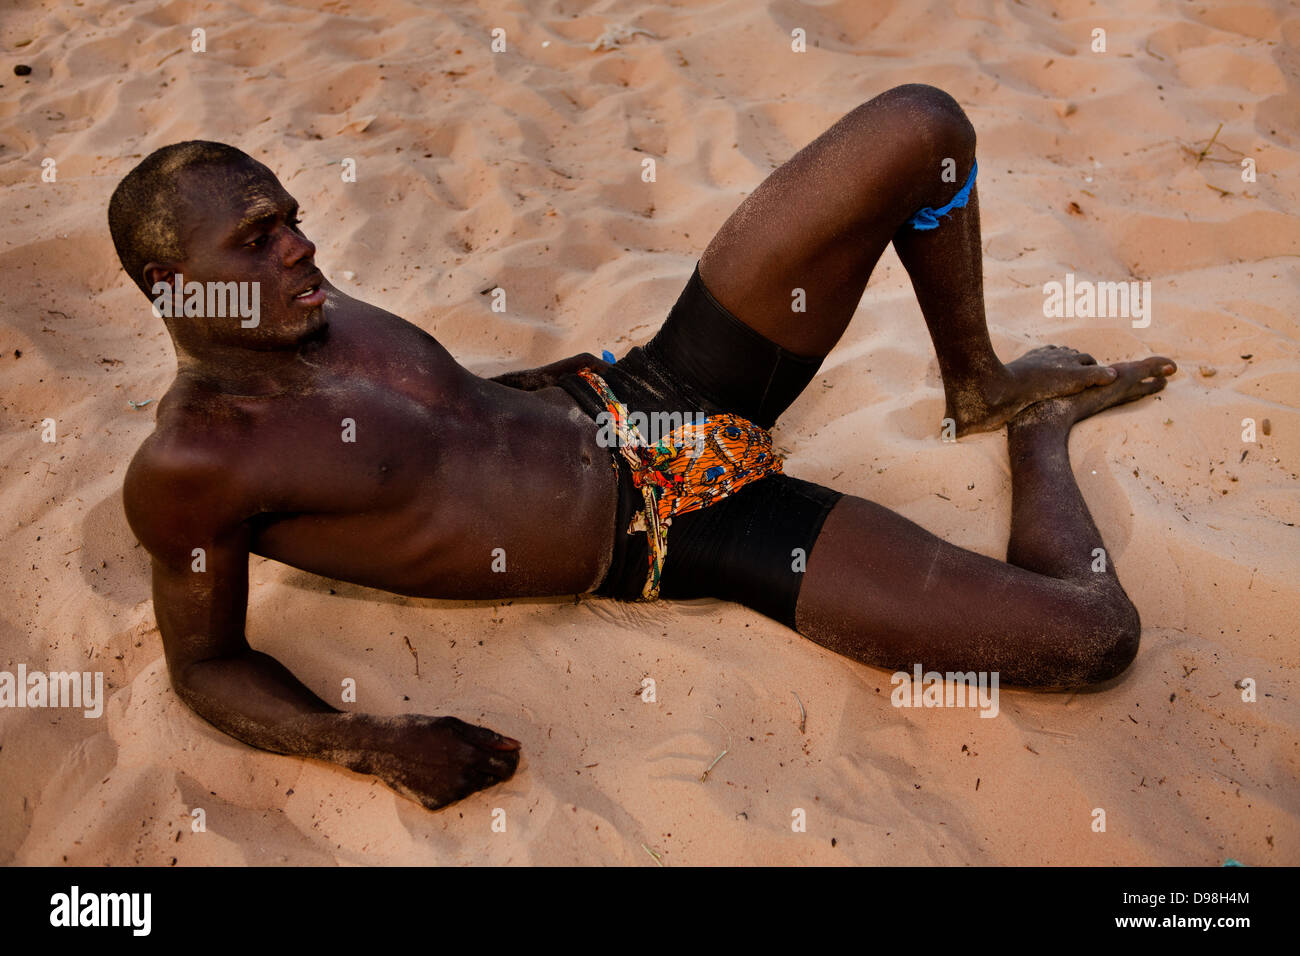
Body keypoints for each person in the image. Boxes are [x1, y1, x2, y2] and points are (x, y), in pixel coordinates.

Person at [110, 84, 1176, 812]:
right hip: (676, 531)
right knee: (1089, 636)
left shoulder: (298, 301)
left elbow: (455, 415)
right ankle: (1040, 438)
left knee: (920, 126)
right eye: (256, 238)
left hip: (652, 387)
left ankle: (984, 385)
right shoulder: (193, 466)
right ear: (173, 289)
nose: (299, 242)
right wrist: (369, 742)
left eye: (288, 217)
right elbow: (206, 666)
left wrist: (589, 386)